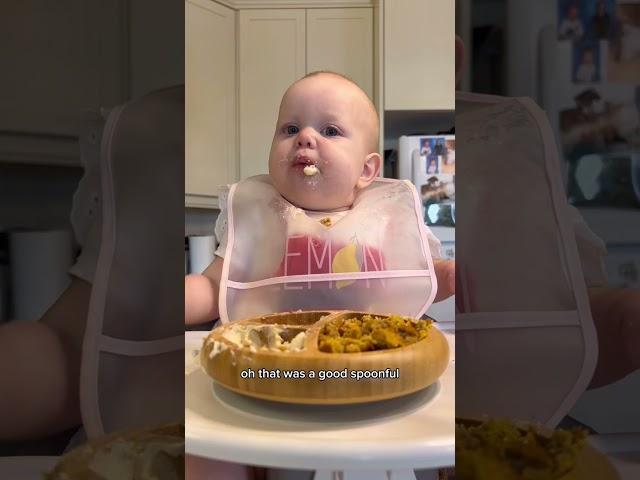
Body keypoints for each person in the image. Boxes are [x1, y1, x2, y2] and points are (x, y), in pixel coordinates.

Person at [184, 71, 456, 479]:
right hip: (272, 377)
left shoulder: (384, 221)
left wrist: (453, 275)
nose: (305, 137)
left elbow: (420, 279)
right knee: (205, 441)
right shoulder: (264, 221)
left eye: (329, 130)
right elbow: (213, 285)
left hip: (373, 377)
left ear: (367, 169)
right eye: (290, 128)